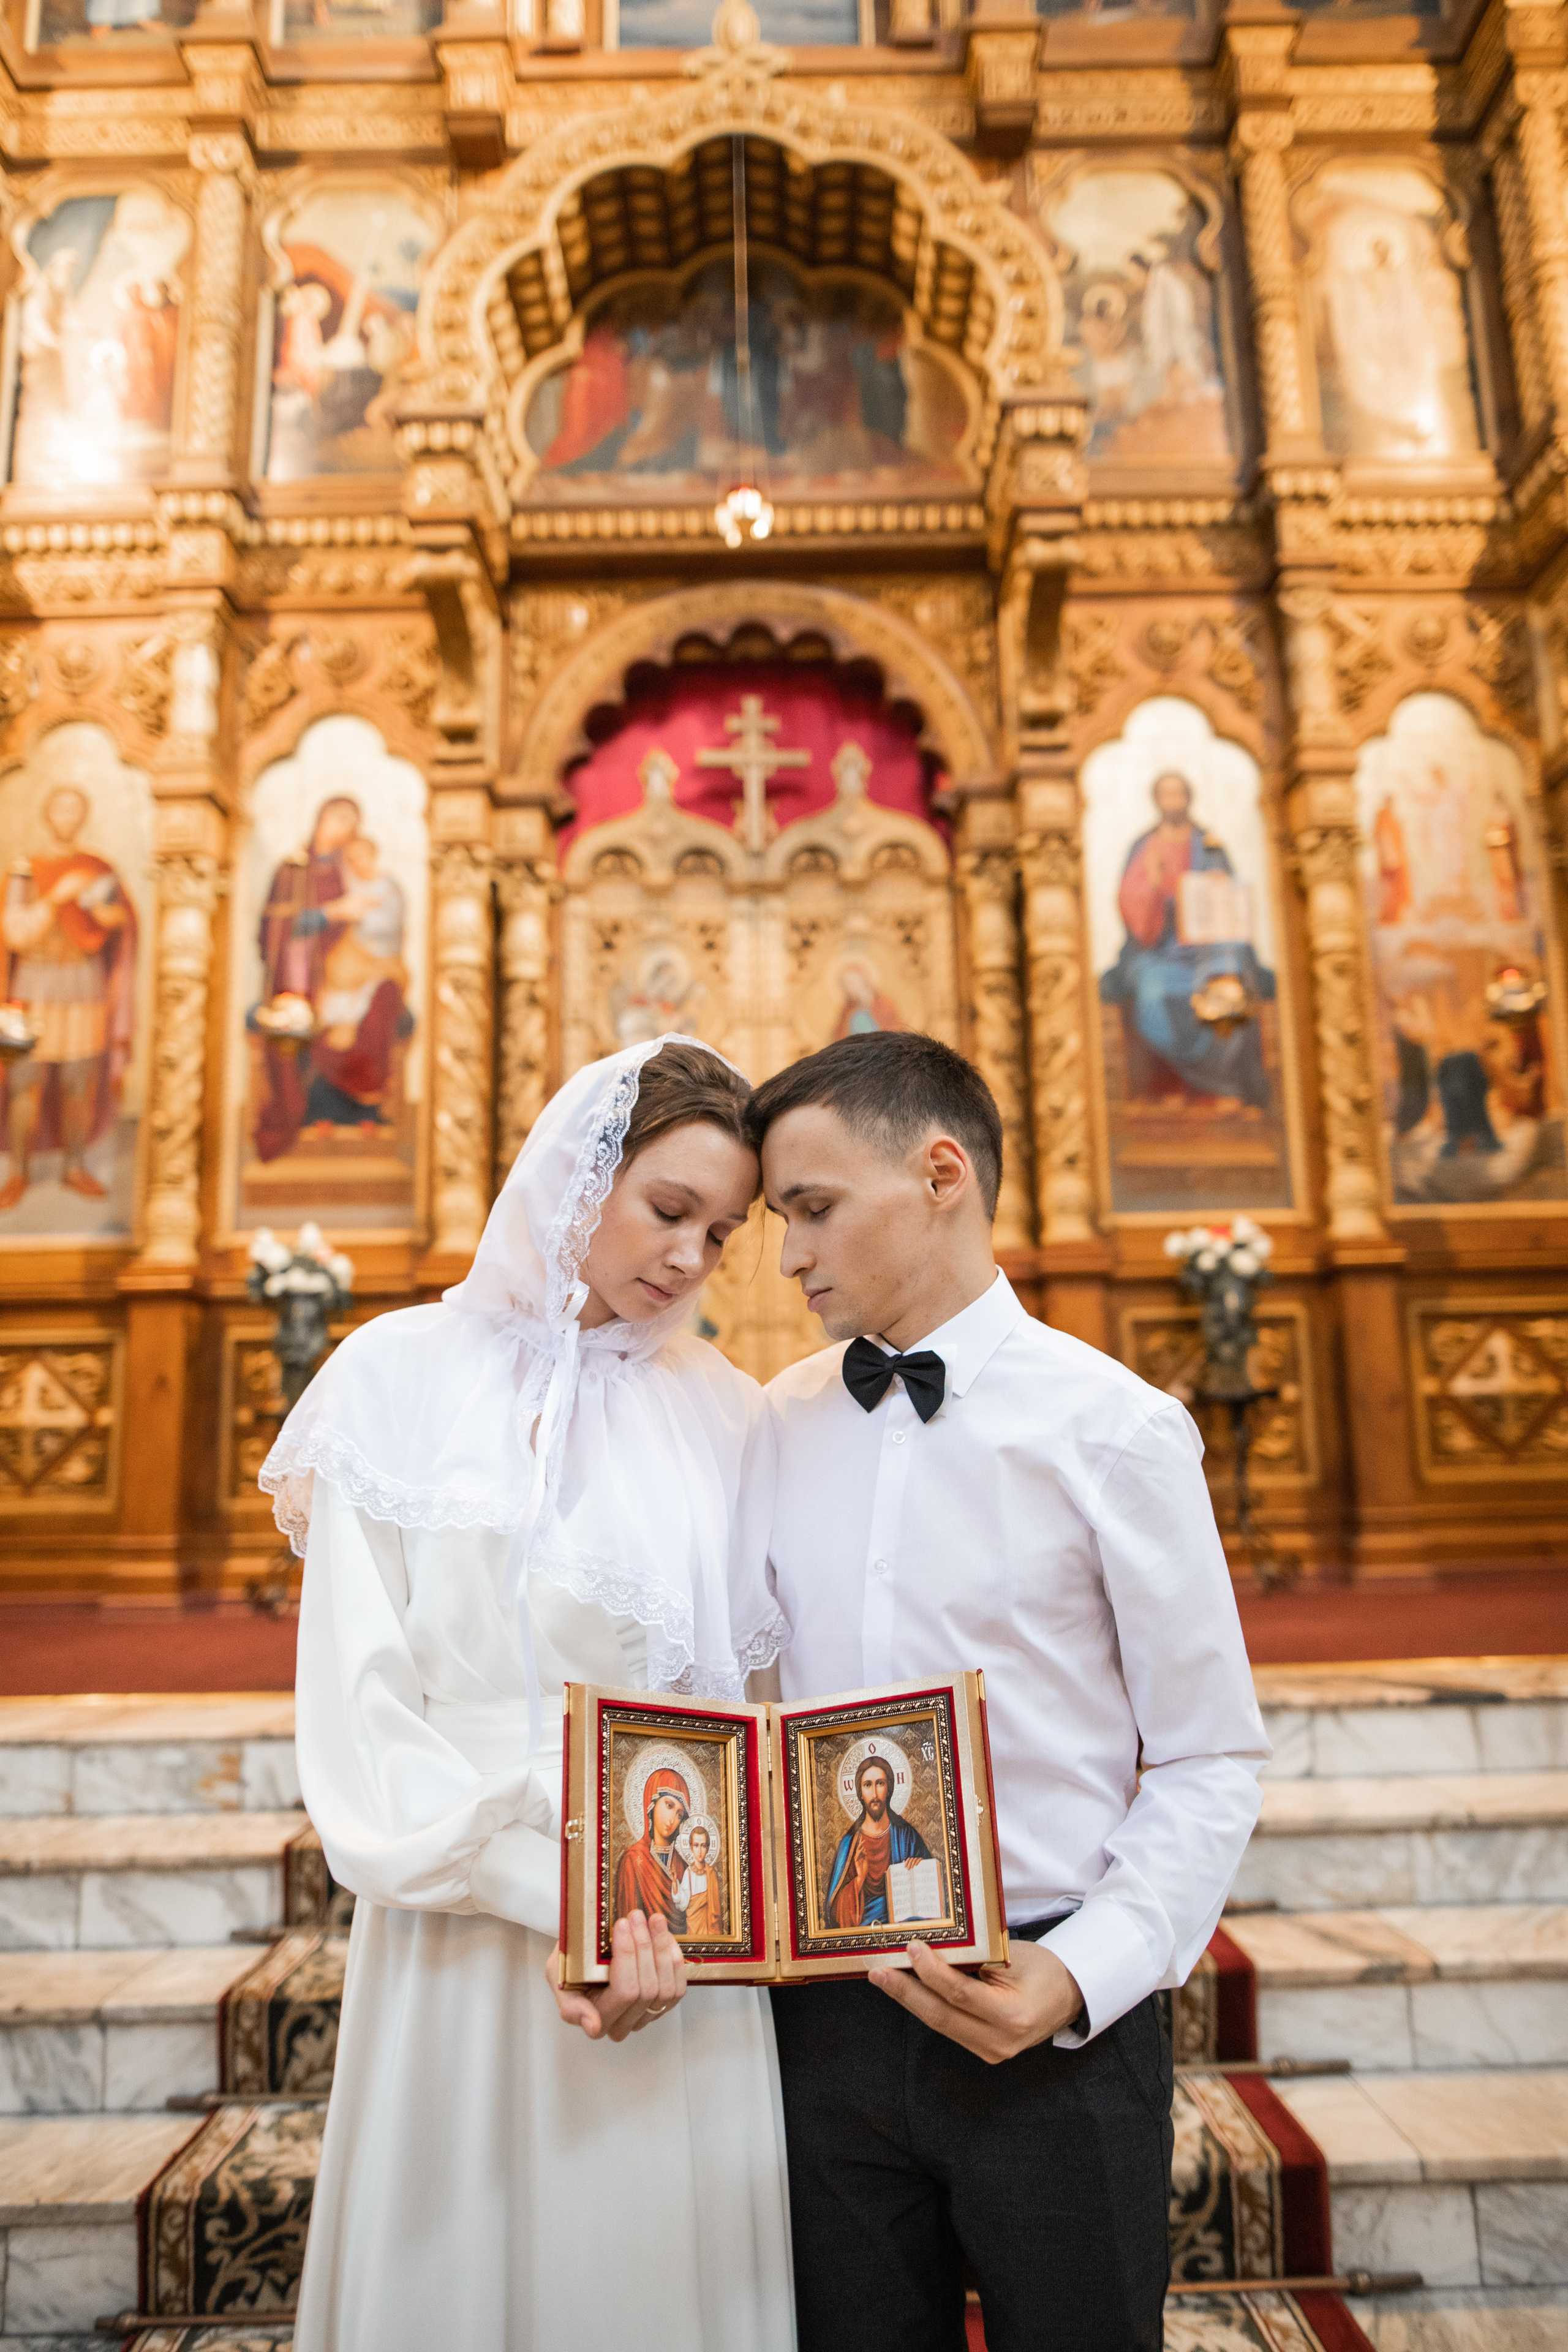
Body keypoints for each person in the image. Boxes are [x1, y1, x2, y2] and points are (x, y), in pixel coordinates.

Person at [263, 1035, 795, 2351]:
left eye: (721, 1234)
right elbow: (359, 1697)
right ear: (576, 1176)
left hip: (670, 1942)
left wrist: (664, 1914)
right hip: (466, 1915)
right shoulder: (393, 1379)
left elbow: (757, 1710)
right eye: (667, 1211)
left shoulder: (728, 1412)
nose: (687, 1259)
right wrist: (546, 1890)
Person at [747, 1029, 1268, 2352]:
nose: (787, 1254)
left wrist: (1078, 1974)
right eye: (775, 1218)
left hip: (1047, 2007)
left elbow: (1209, 1755)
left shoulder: (1114, 1428)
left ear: (939, 1174)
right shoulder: (770, 1426)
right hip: (820, 2017)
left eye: (811, 1209)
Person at [1, 784, 137, 1210]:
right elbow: (16, 934)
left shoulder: (96, 868)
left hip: (83, 983)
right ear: (47, 813)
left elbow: (117, 923)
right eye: (60, 808)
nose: (67, 817)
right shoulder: (27, 869)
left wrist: (97, 907)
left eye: (75, 809)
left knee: (80, 1082)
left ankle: (75, 1167)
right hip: (36, 986)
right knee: (26, 1082)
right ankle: (20, 1172)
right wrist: (59, 895)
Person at [824, 1754, 932, 1929]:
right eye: (868, 1785)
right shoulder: (850, 1844)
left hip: (904, 1930)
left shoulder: (907, 1835)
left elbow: (930, 1896)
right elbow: (835, 1916)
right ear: (860, 1793)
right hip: (864, 1934)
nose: (874, 1794)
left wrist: (920, 1869)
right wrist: (859, 1880)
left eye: (880, 1783)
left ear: (889, 1789)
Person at [614, 1765, 692, 1932]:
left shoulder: (683, 1866)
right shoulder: (632, 1860)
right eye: (669, 1806)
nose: (673, 1819)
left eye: (679, 1814)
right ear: (652, 1804)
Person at [676, 1822, 725, 1939]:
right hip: (693, 1927)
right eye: (696, 1845)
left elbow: (717, 1910)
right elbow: (682, 1905)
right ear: (691, 1847)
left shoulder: (712, 1874)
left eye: (703, 1846)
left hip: (711, 1928)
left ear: (708, 1848)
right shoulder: (688, 1873)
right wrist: (674, 1884)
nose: (700, 1851)